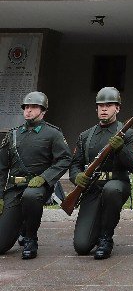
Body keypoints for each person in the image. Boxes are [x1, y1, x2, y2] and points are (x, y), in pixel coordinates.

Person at [69, 87, 133, 259]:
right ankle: (94, 232)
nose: (104, 109)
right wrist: (76, 177)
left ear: (117, 108)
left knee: (112, 190)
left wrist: (121, 149)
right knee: (82, 246)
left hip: (117, 184)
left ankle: (106, 238)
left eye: (109, 105)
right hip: (92, 188)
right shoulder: (85, 136)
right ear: (96, 109)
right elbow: (75, 165)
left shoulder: (127, 133)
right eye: (101, 105)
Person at [0, 92, 72, 259]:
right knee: (1, 245)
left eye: (33, 107)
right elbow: (2, 167)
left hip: (37, 187)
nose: (29, 111)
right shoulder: (13, 135)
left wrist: (45, 178)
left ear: (43, 111)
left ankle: (30, 238)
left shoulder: (53, 134)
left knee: (30, 196)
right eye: (26, 107)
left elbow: (65, 159)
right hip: (15, 189)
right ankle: (20, 226)